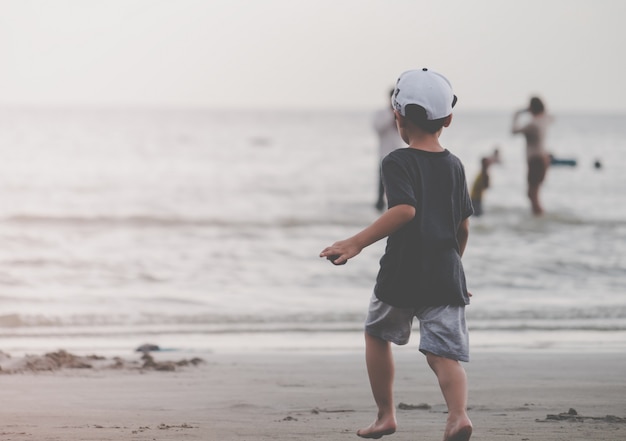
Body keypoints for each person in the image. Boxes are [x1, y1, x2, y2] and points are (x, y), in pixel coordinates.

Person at [320, 68, 473, 441]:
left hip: (402, 272)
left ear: (397, 116)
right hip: (444, 273)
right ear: (448, 119)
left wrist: (354, 243)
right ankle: (458, 416)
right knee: (442, 355)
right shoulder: (455, 165)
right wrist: (457, 270)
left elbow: (404, 210)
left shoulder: (396, 161)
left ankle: (386, 415)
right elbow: (463, 227)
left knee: (376, 333)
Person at [511, 96, 552, 215]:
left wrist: (516, 116)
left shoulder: (533, 125)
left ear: (532, 108)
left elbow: (514, 131)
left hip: (535, 161)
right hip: (543, 159)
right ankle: (538, 215)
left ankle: (539, 215)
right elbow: (550, 116)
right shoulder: (544, 120)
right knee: (533, 193)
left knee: (532, 194)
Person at [372, 88, 405, 211]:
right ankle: (380, 212)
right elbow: (378, 128)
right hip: (384, 154)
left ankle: (394, 210)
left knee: (398, 187)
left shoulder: (403, 114)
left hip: (399, 154)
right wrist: (392, 115)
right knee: (382, 187)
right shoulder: (382, 113)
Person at [470, 148, 500, 216]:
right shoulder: (484, 175)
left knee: (477, 215)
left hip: (475, 197)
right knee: (478, 215)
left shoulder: (480, 173)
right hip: (476, 199)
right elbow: (487, 186)